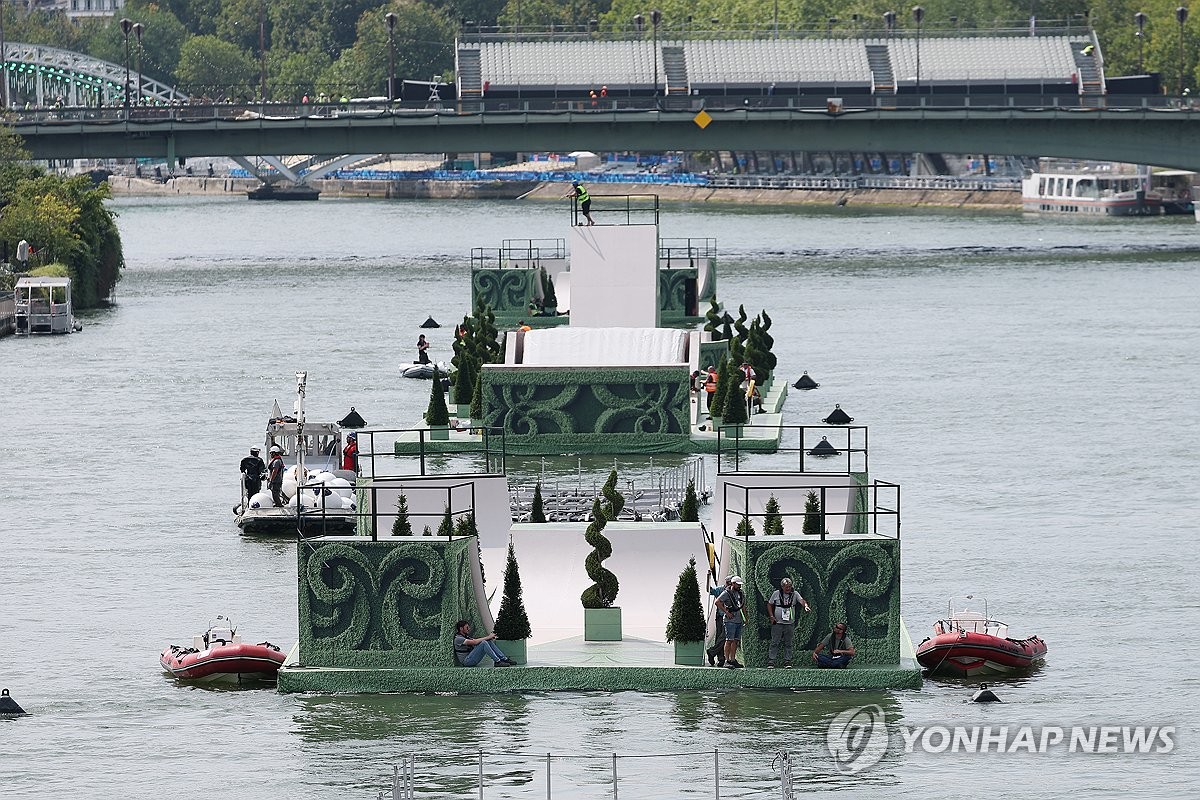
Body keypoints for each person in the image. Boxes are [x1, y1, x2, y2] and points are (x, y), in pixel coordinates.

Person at [766, 577, 811, 668]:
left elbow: (802, 600)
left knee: (788, 642)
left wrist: (805, 606)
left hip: (789, 623)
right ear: (782, 587)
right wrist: (771, 616)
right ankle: (771, 661)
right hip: (778, 622)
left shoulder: (795, 594)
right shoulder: (776, 593)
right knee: (775, 641)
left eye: (790, 586)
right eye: (786, 587)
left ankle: (787, 661)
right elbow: (770, 604)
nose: (788, 589)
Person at [714, 576, 747, 669]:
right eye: (738, 584)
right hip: (730, 620)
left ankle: (733, 659)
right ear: (733, 584)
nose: (739, 586)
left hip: (738, 620)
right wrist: (726, 612)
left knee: (736, 641)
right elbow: (717, 602)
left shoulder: (740, 593)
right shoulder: (726, 593)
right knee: (729, 640)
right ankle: (726, 660)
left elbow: (742, 605)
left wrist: (745, 617)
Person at [706, 575, 731, 666]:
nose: (729, 584)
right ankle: (720, 658)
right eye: (728, 582)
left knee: (723, 637)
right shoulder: (721, 590)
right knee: (720, 637)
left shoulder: (733, 591)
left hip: (729, 618)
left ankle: (713, 653)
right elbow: (710, 591)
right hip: (721, 616)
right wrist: (708, 579)